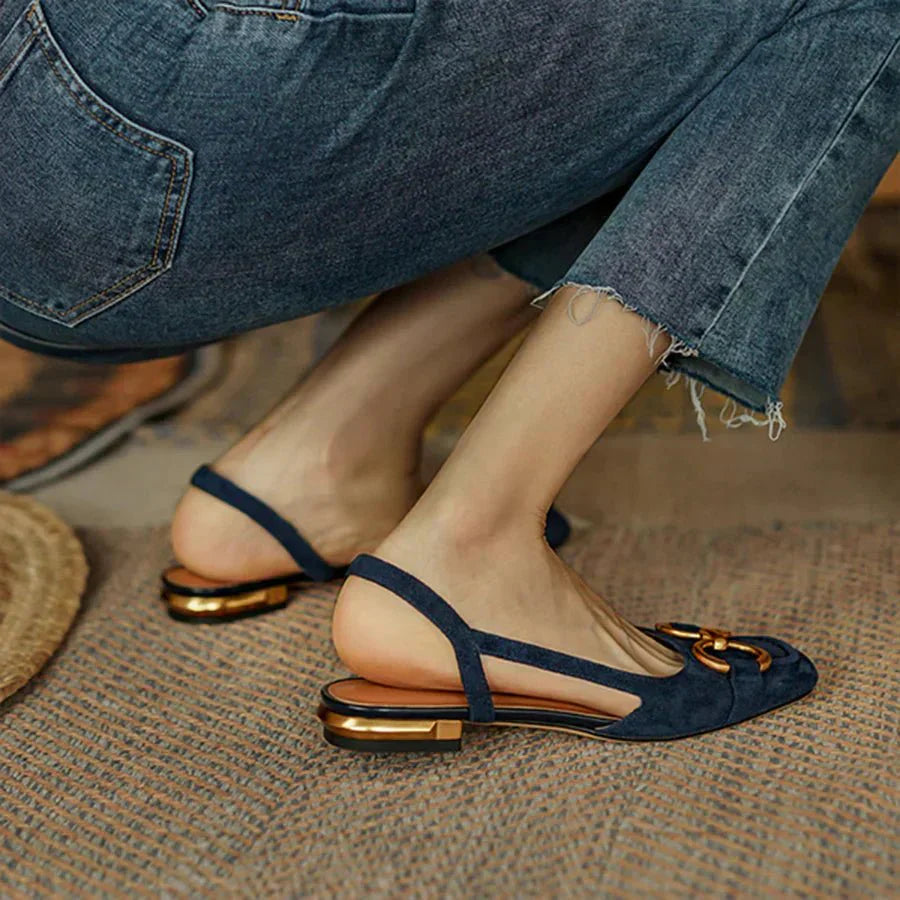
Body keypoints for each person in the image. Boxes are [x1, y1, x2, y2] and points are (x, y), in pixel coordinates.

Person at [1, 0, 896, 750]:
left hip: (49, 156)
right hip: (163, 115)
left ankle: (319, 462)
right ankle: (473, 548)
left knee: (652, 50)